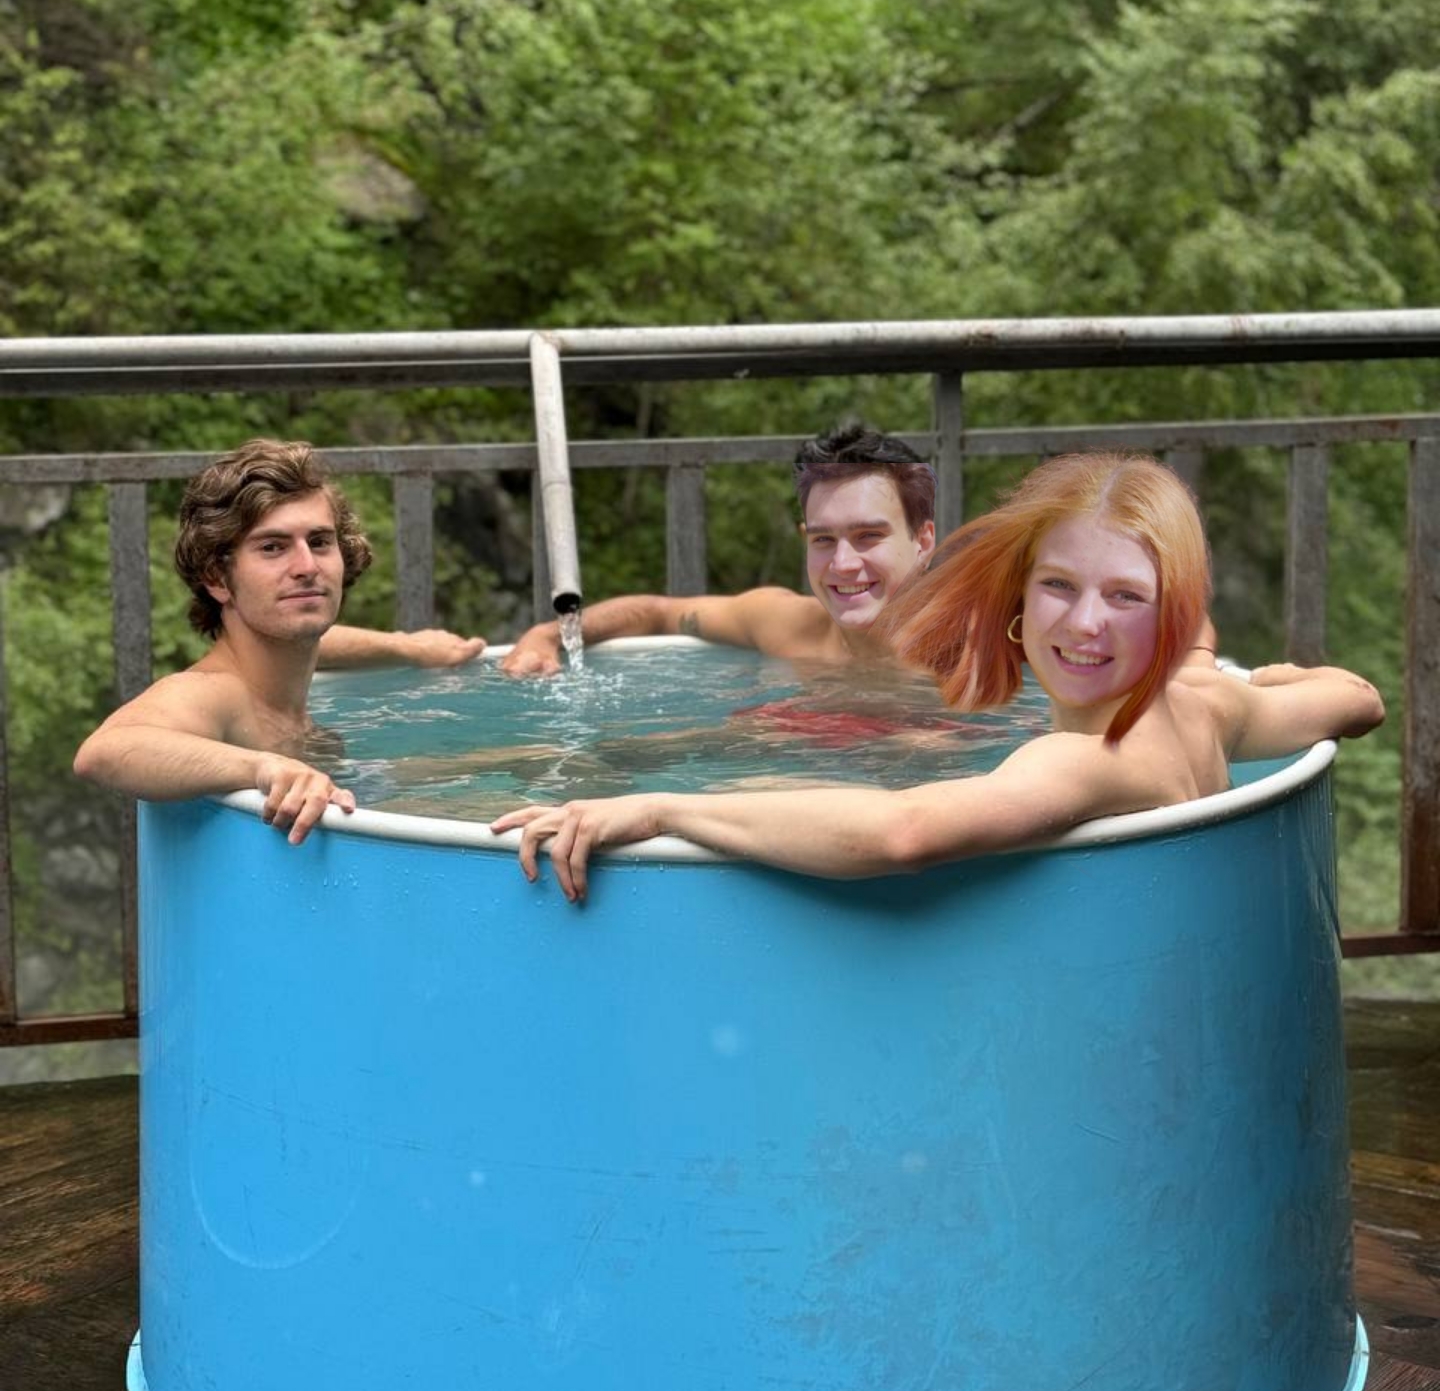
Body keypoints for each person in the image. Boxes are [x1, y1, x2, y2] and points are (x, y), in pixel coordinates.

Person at [492, 452, 1384, 901]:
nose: (1084, 624)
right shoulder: (1205, 702)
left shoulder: (1089, 759)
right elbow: (1357, 700)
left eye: (1125, 597)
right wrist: (1272, 676)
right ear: (1019, 595)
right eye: (1059, 587)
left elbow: (904, 833)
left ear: (1173, 611)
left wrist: (660, 810)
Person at [74, 438, 483, 844]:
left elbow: (320, 642)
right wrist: (264, 768)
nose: (307, 566)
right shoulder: (216, 693)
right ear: (217, 578)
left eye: (319, 542)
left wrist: (407, 647)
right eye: (272, 547)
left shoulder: (282, 665)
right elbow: (105, 750)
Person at [499, 424, 938, 674]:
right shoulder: (785, 626)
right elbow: (658, 612)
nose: (842, 564)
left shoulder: (964, 653)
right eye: (823, 539)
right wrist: (548, 635)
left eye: (868, 536)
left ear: (923, 541)